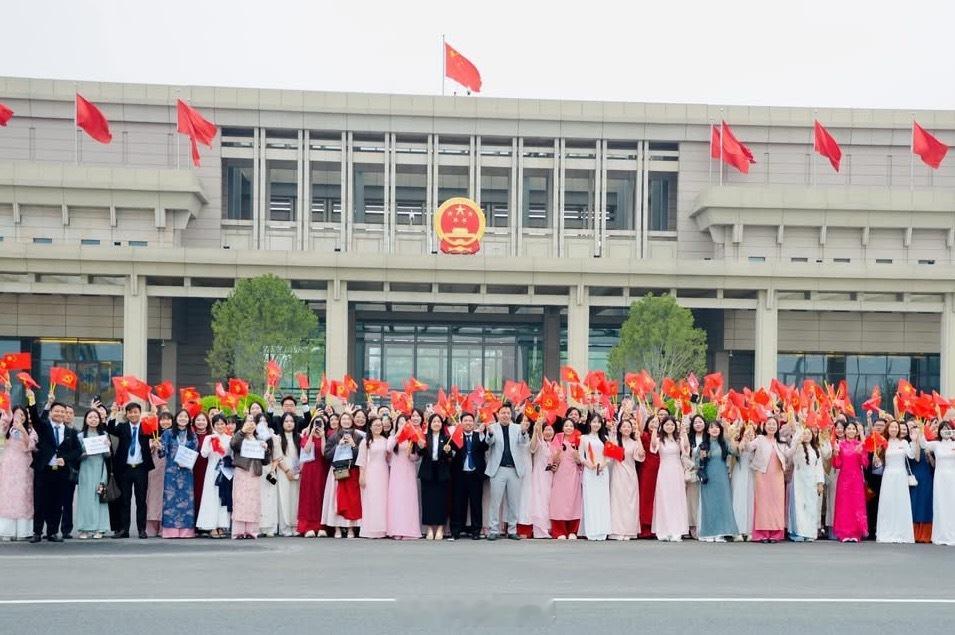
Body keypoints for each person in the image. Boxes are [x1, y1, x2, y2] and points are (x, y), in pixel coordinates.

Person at [30, 397, 81, 543]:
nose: (59, 414)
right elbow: (35, 419)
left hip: (61, 473)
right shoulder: (44, 427)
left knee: (57, 503)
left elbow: (77, 450)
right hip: (44, 470)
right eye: (56, 411)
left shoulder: (70, 432)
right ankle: (37, 532)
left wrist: (65, 458)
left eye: (62, 412)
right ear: (51, 412)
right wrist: (32, 401)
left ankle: (52, 532)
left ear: (66, 414)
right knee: (40, 502)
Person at [107, 402, 154, 539]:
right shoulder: (122, 427)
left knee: (141, 501)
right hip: (124, 469)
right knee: (124, 500)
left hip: (141, 468)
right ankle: (124, 529)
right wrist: (114, 413)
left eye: (135, 412)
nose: (133, 415)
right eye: (130, 412)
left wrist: (154, 414)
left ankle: (142, 530)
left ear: (140, 413)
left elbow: (158, 432)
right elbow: (110, 429)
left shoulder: (146, 427)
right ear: (126, 414)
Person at [484, 403, 530, 540]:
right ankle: (493, 530)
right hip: (498, 469)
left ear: (511, 415)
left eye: (508, 413)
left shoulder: (517, 428)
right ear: (498, 415)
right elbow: (489, 442)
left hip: (514, 469)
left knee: (513, 502)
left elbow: (523, 442)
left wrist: (523, 432)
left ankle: (512, 530)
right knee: (495, 502)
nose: (505, 415)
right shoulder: (492, 427)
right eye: (503, 413)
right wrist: (490, 434)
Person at [0, 397, 38, 541]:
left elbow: (31, 446)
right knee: (8, 495)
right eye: (17, 414)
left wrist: (23, 430)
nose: (20, 417)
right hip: (9, 466)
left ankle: (23, 531)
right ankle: (7, 530)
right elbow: (5, 416)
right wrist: (7, 394)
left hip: (24, 466)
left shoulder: (31, 430)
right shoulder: (7, 429)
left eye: (23, 415)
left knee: (23, 496)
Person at [322, 411, 364, 537]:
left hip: (352, 471)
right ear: (340, 421)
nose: (346, 421)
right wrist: (338, 446)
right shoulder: (333, 436)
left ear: (352, 421)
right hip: (337, 471)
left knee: (352, 501)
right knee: (335, 500)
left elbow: (361, 456)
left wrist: (353, 445)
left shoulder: (358, 436)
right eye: (343, 419)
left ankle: (350, 528)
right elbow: (327, 455)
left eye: (348, 419)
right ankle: (337, 528)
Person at [747, 416, 788, 543]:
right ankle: (762, 534)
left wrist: (797, 440)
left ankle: (776, 534)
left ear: (777, 427)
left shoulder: (781, 442)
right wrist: (747, 436)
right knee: (762, 504)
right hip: (762, 475)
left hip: (777, 476)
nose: (771, 426)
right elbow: (748, 448)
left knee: (777, 504)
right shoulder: (760, 439)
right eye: (769, 424)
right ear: (764, 426)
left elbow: (789, 454)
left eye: (774, 424)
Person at [696, 420, 738, 541]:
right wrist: (702, 457)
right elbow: (697, 462)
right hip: (708, 477)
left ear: (720, 430)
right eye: (712, 427)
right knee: (709, 504)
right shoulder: (703, 445)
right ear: (708, 431)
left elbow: (735, 452)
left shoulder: (724, 443)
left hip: (722, 477)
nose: (715, 429)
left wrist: (731, 437)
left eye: (717, 427)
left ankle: (721, 532)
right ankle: (709, 533)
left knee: (723, 503)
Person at [231, 413, 271, 539]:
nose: (250, 424)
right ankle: (238, 531)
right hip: (242, 472)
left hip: (255, 473)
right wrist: (242, 432)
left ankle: (251, 531)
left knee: (253, 502)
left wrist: (266, 450)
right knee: (240, 500)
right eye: (247, 421)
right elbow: (233, 444)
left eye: (253, 421)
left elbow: (266, 461)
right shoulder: (239, 437)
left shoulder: (259, 440)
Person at [159, 409, 198, 538]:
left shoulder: (192, 434)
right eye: (180, 416)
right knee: (170, 499)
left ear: (189, 420)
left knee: (186, 500)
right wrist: (159, 447)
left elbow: (195, 451)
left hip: (186, 472)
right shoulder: (168, 433)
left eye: (185, 417)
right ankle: (170, 531)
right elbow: (162, 452)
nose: (183, 419)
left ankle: (186, 531)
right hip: (171, 471)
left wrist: (187, 461)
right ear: (176, 419)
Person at [650, 416, 690, 541]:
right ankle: (664, 530)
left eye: (672, 425)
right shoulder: (659, 440)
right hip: (664, 472)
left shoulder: (679, 439)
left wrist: (684, 432)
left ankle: (677, 530)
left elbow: (686, 448)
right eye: (667, 424)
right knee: (664, 499)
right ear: (663, 426)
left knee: (677, 500)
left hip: (677, 471)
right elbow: (653, 446)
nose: (669, 427)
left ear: (675, 426)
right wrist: (655, 429)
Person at [875, 419, 915, 543]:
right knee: (888, 503)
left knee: (901, 503)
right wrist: (876, 457)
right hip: (888, 476)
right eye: (891, 427)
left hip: (901, 476)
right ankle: (886, 532)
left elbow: (912, 455)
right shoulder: (883, 442)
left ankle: (902, 533)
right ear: (887, 429)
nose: (894, 429)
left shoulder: (904, 442)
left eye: (896, 427)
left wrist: (914, 441)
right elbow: (878, 462)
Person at [449, 412, 487, 540]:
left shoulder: (479, 435)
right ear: (461, 422)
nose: (468, 423)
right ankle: (456, 530)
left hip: (475, 475)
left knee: (476, 504)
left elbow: (485, 446)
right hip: (459, 474)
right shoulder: (456, 436)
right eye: (465, 420)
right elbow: (452, 453)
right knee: (458, 503)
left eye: (470, 420)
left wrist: (483, 434)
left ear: (474, 422)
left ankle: (476, 531)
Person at [74, 409, 112, 539]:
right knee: (85, 499)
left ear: (99, 420)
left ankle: (100, 528)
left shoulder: (104, 434)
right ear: (86, 419)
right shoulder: (80, 436)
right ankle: (84, 528)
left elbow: (107, 456)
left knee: (99, 497)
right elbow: (76, 456)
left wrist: (108, 447)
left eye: (96, 417)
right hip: (85, 469)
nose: (93, 419)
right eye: (90, 417)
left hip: (100, 468)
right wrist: (83, 454)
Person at [832, 420, 869, 542]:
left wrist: (862, 452)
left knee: (856, 504)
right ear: (845, 431)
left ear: (856, 431)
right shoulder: (840, 444)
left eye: (853, 429)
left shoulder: (860, 444)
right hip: (844, 479)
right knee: (844, 505)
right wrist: (836, 453)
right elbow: (837, 465)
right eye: (849, 429)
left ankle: (856, 533)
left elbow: (865, 463)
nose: (851, 431)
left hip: (856, 479)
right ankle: (843, 533)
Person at [786, 425, 824, 542]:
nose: (806, 436)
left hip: (812, 482)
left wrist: (820, 483)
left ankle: (810, 532)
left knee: (811, 506)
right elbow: (789, 455)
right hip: (799, 481)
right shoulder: (798, 447)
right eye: (804, 433)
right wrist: (797, 440)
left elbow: (819, 467)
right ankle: (798, 532)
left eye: (809, 433)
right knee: (799, 506)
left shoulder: (816, 449)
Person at [386, 413, 421, 540]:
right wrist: (399, 432)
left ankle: (409, 530)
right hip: (396, 472)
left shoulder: (413, 438)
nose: (403, 425)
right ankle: (396, 529)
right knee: (396, 500)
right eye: (400, 422)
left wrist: (411, 455)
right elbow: (388, 448)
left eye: (405, 422)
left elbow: (416, 457)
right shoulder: (393, 438)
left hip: (409, 472)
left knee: (409, 500)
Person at [196, 414, 231, 538]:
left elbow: (231, 455)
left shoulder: (229, 438)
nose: (220, 426)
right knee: (211, 497)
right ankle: (211, 526)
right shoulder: (209, 437)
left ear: (226, 425)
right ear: (213, 425)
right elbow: (204, 454)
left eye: (222, 424)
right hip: (212, 470)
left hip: (225, 471)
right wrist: (210, 442)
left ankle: (221, 525)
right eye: (217, 424)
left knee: (223, 498)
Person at [418, 413, 453, 540]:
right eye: (434, 422)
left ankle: (440, 528)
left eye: (438, 422)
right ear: (430, 424)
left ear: (442, 424)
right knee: (428, 501)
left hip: (442, 472)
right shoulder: (424, 437)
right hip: (428, 472)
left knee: (441, 501)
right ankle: (429, 528)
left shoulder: (447, 438)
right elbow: (420, 453)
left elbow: (450, 456)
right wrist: (420, 447)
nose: (436, 424)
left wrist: (448, 451)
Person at [609, 416, 644, 540]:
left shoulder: (634, 443)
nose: (626, 428)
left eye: (629, 426)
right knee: (618, 503)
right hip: (618, 474)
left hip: (631, 475)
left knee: (630, 503)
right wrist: (612, 438)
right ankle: (617, 531)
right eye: (624, 426)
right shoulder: (615, 440)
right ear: (620, 429)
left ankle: (629, 531)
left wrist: (638, 438)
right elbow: (611, 457)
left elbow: (641, 455)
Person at [578, 413, 611, 541]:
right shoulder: (584, 438)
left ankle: (602, 530)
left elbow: (609, 456)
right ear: (589, 423)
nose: (596, 424)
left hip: (602, 471)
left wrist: (603, 465)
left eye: (598, 422)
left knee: (602, 500)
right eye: (594, 422)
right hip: (589, 471)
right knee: (590, 500)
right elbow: (581, 456)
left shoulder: (605, 438)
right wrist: (589, 464)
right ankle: (591, 530)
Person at [922, 420, 955, 545]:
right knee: (941, 504)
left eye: (948, 428)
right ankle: (941, 534)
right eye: (943, 429)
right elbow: (923, 444)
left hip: (953, 477)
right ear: (939, 431)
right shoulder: (936, 444)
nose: (945, 431)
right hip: (940, 478)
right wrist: (923, 429)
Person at [549, 418, 583, 539]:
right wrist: (557, 453)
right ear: (562, 427)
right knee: (559, 502)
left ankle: (572, 530)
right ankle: (559, 531)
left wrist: (578, 458)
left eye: (571, 426)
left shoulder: (578, 440)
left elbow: (581, 460)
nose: (569, 428)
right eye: (566, 425)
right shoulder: (558, 438)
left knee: (574, 501)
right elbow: (552, 458)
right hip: (560, 473)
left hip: (574, 474)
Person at [356, 416, 389, 538]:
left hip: (383, 473)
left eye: (380, 425)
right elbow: (361, 460)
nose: (378, 427)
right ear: (370, 427)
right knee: (371, 500)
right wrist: (361, 476)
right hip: (370, 473)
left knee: (383, 501)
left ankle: (383, 529)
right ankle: (370, 529)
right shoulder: (365, 442)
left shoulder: (385, 441)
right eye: (375, 425)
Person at [296, 415, 328, 538]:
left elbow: (325, 453)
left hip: (321, 470)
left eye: (321, 423)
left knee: (320, 497)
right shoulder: (305, 437)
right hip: (309, 471)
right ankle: (307, 526)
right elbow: (307, 449)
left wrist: (323, 436)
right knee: (308, 498)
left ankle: (321, 526)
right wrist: (311, 434)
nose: (318, 426)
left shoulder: (326, 437)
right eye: (316, 423)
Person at [145, 411, 173, 536]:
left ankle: (165, 526)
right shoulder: (153, 433)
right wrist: (152, 445)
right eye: (162, 419)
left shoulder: (174, 434)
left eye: (168, 419)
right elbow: (144, 452)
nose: (165, 422)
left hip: (170, 468)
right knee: (154, 495)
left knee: (168, 496)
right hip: (155, 468)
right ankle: (152, 525)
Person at [273, 413, 301, 537]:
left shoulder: (299, 437)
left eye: (291, 421)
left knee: (295, 499)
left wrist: (297, 470)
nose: (289, 423)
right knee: (284, 498)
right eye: (286, 421)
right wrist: (287, 471)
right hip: (283, 472)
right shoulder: (278, 438)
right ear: (282, 423)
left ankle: (295, 525)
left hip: (297, 471)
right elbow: (277, 457)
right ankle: (285, 527)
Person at [908, 422, 934, 543]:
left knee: (925, 503)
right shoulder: (909, 444)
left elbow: (932, 464)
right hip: (915, 477)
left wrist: (929, 454)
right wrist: (916, 441)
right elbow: (917, 458)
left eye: (918, 430)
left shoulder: (928, 444)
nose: (916, 433)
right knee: (915, 503)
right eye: (913, 431)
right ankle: (914, 533)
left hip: (926, 477)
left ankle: (926, 533)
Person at [528, 419, 555, 539]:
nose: (548, 432)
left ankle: (549, 528)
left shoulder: (554, 445)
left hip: (550, 476)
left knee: (548, 502)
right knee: (539, 502)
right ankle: (540, 530)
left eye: (550, 430)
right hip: (539, 476)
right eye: (546, 430)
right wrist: (536, 429)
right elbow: (532, 448)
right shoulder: (540, 442)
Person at [731, 422, 756, 540]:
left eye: (752, 432)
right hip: (739, 472)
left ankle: (750, 530)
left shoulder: (757, 443)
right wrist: (744, 439)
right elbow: (739, 450)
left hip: (752, 473)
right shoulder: (737, 442)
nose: (750, 434)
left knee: (750, 500)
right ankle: (738, 530)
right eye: (747, 432)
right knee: (739, 499)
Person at [638, 415, 661, 538]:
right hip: (646, 469)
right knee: (646, 497)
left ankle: (656, 526)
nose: (654, 424)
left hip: (660, 469)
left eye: (656, 422)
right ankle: (645, 526)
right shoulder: (644, 435)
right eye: (652, 422)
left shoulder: (661, 436)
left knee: (657, 498)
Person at [685, 413, 707, 539]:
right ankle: (693, 525)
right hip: (693, 472)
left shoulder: (708, 438)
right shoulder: (689, 439)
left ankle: (703, 525)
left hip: (706, 472)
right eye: (695, 422)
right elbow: (684, 455)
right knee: (692, 500)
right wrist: (693, 466)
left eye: (700, 422)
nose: (698, 424)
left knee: (704, 500)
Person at [192, 412, 211, 521]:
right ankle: (194, 523)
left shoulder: (212, 436)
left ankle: (205, 523)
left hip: (207, 468)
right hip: (193, 469)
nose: (201, 422)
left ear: (207, 422)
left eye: (203, 420)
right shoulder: (190, 435)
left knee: (206, 495)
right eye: (198, 420)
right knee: (194, 494)